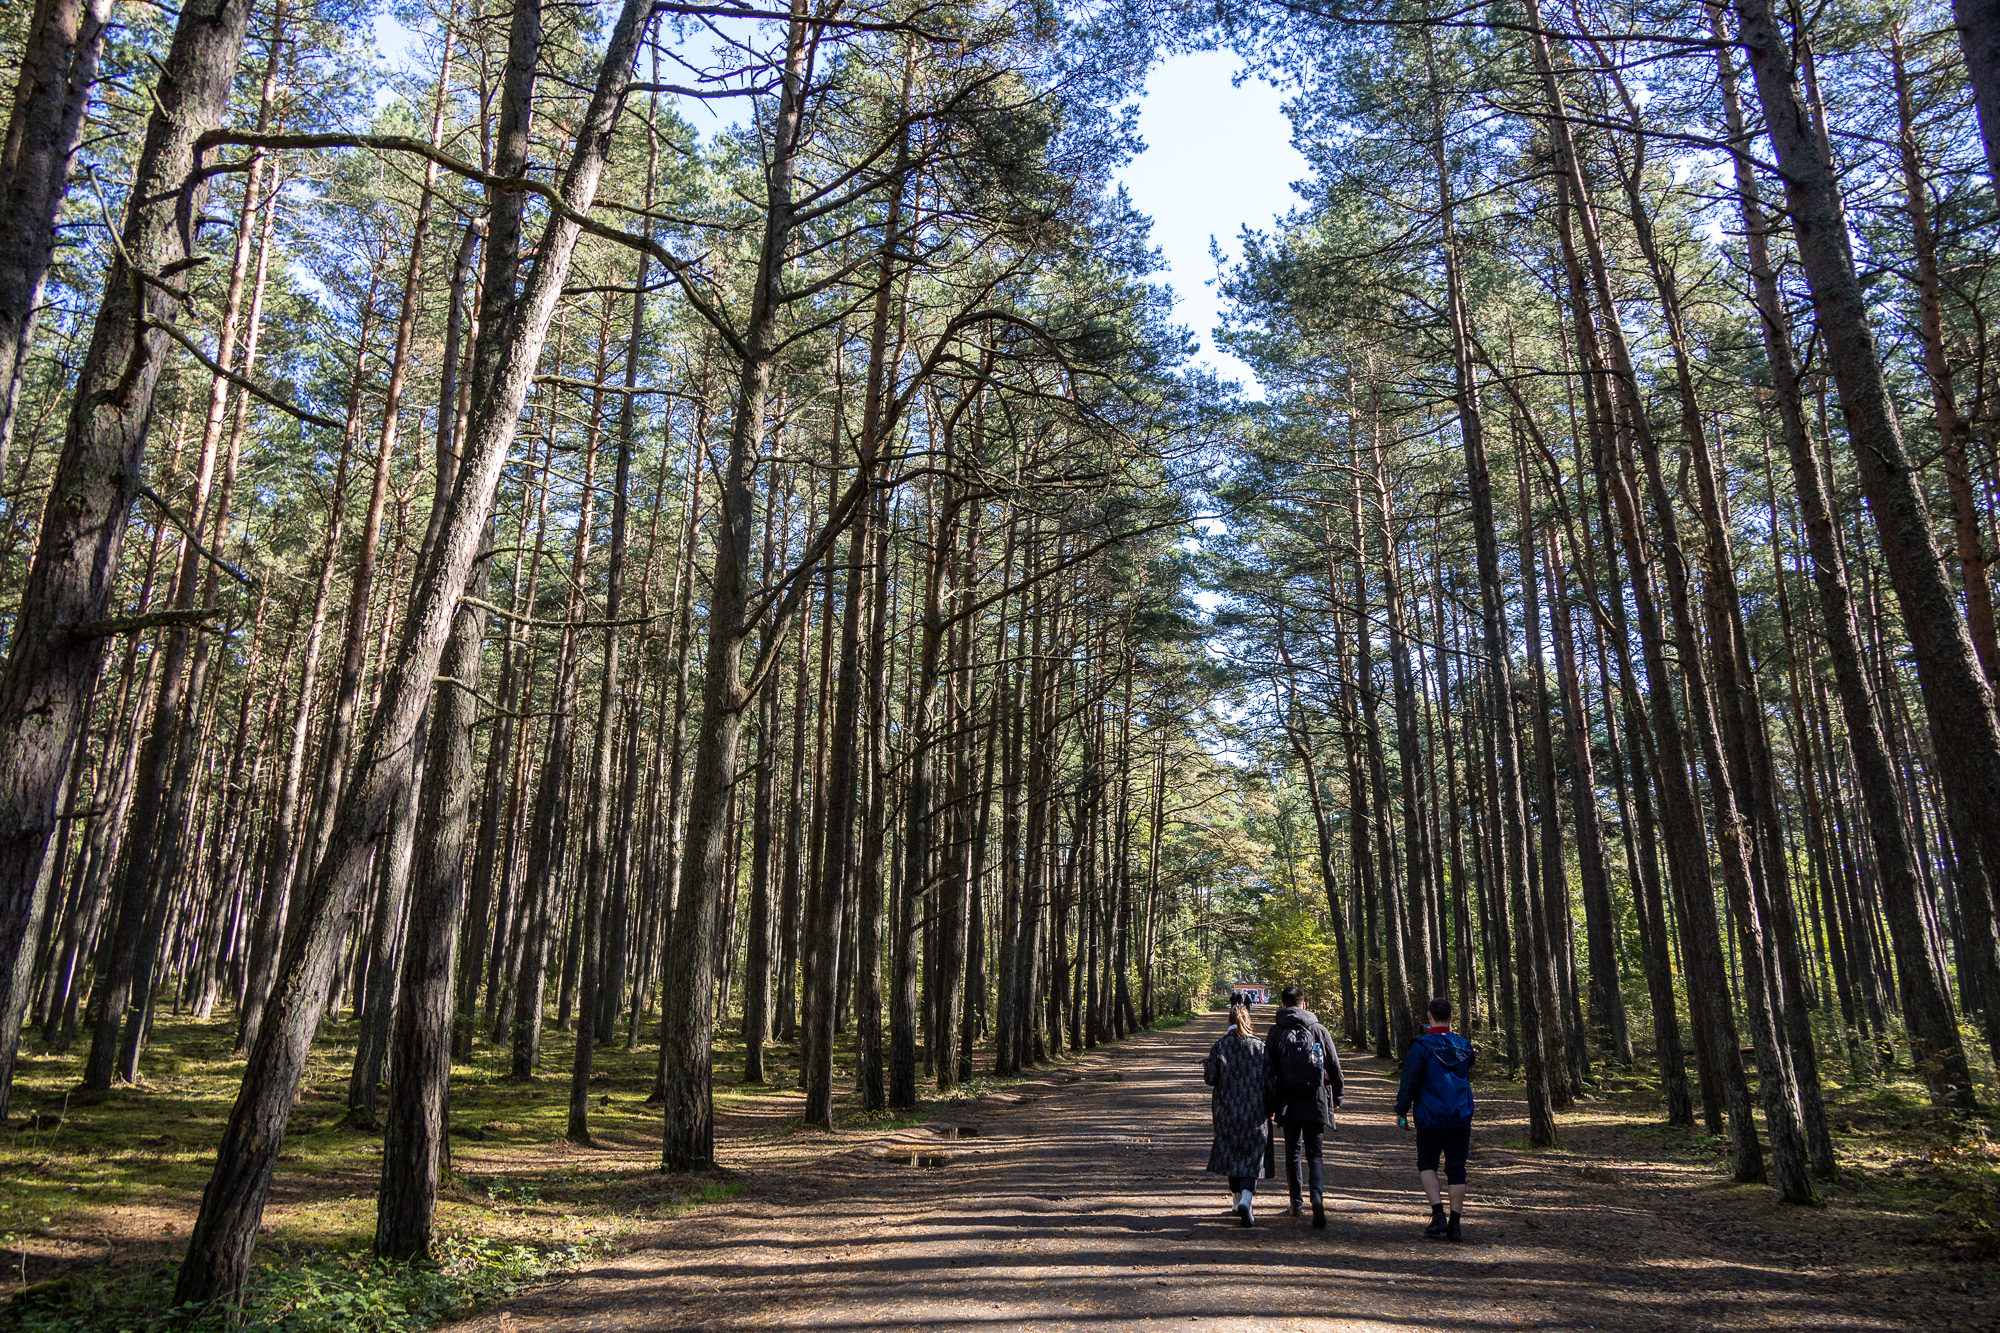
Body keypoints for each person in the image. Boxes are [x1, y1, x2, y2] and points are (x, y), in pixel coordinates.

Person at [1394, 995, 1476, 1241]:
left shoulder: (1421, 1047)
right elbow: (1468, 1068)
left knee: (1427, 1163)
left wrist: (1401, 1111)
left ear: (1429, 1017)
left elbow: (1409, 1081)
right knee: (1457, 1169)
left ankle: (1438, 1215)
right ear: (1451, 1018)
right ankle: (1456, 1224)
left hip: (1430, 1117)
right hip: (1460, 1115)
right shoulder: (1465, 1046)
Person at [1264, 985, 1342, 1227]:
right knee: (1315, 1154)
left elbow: (1268, 1069)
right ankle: (1317, 1196)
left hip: (1288, 1101)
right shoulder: (1318, 1029)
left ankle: (1296, 1203)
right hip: (1315, 1098)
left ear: (1283, 1005)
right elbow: (1333, 1064)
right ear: (1304, 1005)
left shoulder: (1276, 1031)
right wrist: (1337, 1095)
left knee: (1293, 1152)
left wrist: (1270, 1101)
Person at [1203, 1001, 1271, 1226]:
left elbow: (1210, 1079)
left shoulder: (1220, 1046)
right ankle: (1247, 1197)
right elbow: (1269, 1080)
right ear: (1248, 1022)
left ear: (1229, 1021)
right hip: (1255, 1112)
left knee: (1231, 1153)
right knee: (1253, 1156)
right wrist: (1273, 1106)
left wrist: (1207, 1065)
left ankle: (1235, 1200)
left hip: (1227, 1111)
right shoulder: (1260, 1047)